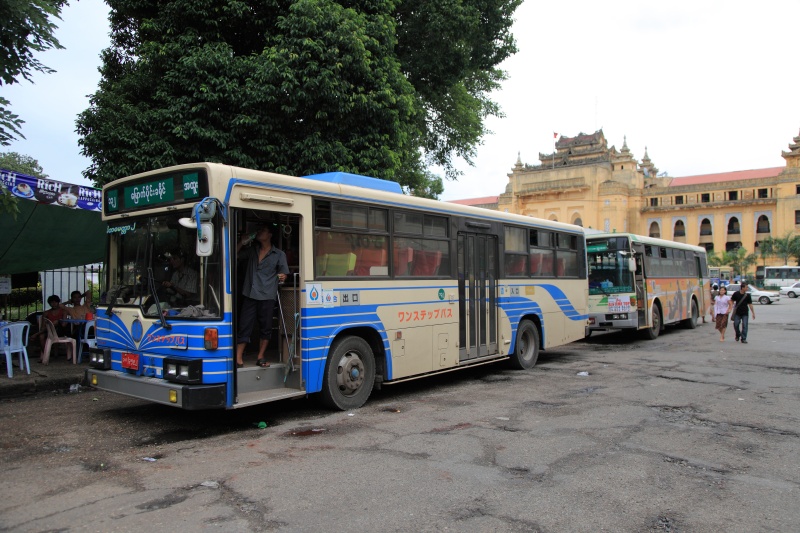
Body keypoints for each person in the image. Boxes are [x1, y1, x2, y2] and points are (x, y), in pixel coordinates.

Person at [236, 225, 289, 368]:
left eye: (262, 230)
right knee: (244, 325)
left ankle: (260, 356)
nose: (259, 232)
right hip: (250, 293)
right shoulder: (253, 250)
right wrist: (242, 242)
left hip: (267, 294)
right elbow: (234, 254)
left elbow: (284, 275)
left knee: (265, 327)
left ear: (270, 234)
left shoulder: (279, 254)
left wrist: (282, 277)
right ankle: (238, 358)